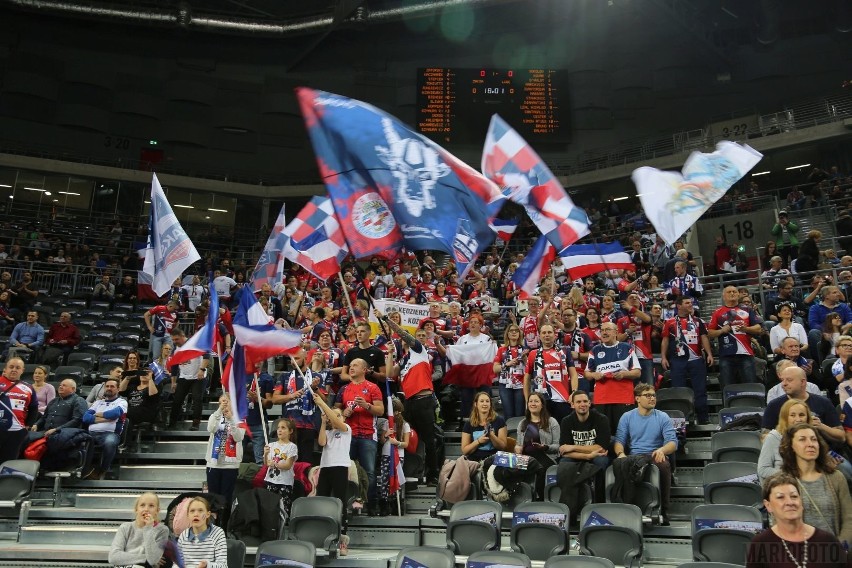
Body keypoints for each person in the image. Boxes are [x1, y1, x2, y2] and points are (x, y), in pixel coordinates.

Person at [379, 309, 439, 485]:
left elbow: (403, 333)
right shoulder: (403, 360)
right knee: (407, 436)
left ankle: (433, 474)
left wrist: (386, 320)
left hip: (424, 400)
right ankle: (411, 472)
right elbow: (389, 373)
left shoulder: (419, 350)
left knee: (428, 439)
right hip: (409, 402)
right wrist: (390, 353)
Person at [746, 473, 849, 568]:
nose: (790, 502)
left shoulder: (828, 540)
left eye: (794, 496)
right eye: (781, 497)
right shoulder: (760, 543)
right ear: (768, 505)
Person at [613, 384, 678, 525]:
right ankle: (624, 507)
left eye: (653, 395)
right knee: (619, 463)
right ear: (637, 398)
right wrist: (620, 453)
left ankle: (664, 510)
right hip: (635, 456)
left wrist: (662, 450)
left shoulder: (662, 417)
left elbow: (673, 442)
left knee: (663, 465)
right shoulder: (627, 417)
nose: (652, 398)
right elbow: (619, 441)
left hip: (655, 454)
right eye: (647, 395)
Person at [779, 423, 852, 544]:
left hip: (833, 554)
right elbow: (778, 524)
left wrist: (841, 548)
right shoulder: (782, 481)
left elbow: (849, 518)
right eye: (802, 439)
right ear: (791, 446)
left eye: (814, 439)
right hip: (797, 554)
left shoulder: (837, 478)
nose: (810, 444)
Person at [335, 357, 384, 516]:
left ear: (364, 369)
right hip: (348, 436)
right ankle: (350, 505)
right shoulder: (343, 389)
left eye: (355, 365)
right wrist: (343, 413)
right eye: (350, 366)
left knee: (368, 471)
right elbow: (335, 413)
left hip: (368, 435)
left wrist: (366, 405)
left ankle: (370, 505)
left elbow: (380, 411)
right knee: (348, 471)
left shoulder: (373, 387)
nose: (351, 368)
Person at [762, 367, 845, 451]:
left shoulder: (823, 402)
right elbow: (764, 438)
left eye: (789, 380)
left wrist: (821, 427)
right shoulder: (774, 405)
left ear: (803, 382)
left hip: (824, 453)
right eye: (782, 380)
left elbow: (842, 436)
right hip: (785, 454)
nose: (783, 384)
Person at [660, 297, 714, 424]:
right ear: (679, 306)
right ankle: (680, 421)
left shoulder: (698, 321)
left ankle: (703, 419)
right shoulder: (670, 322)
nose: (691, 305)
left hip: (696, 359)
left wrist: (709, 354)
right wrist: (663, 357)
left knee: (700, 390)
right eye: (687, 303)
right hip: (677, 360)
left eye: (691, 302)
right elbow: (665, 340)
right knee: (678, 391)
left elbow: (704, 337)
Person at [313, 390, 351, 556]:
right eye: (332, 415)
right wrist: (323, 423)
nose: (334, 417)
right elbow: (321, 442)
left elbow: (336, 420)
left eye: (337, 415)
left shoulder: (346, 429)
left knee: (340, 501)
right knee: (322, 499)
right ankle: (323, 534)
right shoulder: (328, 432)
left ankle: (343, 538)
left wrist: (322, 404)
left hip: (340, 467)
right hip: (326, 467)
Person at [585, 322, 641, 432]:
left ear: (616, 332)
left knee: (624, 432)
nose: (604, 333)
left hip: (623, 397)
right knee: (603, 432)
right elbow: (587, 374)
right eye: (602, 330)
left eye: (607, 330)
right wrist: (594, 375)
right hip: (602, 398)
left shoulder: (627, 348)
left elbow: (637, 372)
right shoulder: (595, 350)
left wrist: (624, 374)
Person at [271, 349, 321, 464]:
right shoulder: (285, 377)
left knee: (305, 463)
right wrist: (291, 396)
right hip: (289, 426)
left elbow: (324, 401)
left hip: (308, 425)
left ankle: (303, 482)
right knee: (287, 460)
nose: (293, 362)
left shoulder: (315, 377)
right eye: (291, 359)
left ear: (305, 358)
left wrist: (315, 389)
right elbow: (274, 399)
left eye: (296, 358)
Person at [523, 323, 578, 423]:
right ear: (539, 336)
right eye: (543, 333)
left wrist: (573, 393)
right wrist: (527, 400)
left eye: (549, 332)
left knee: (562, 431)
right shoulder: (533, 354)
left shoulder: (565, 351)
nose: (546, 335)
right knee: (543, 432)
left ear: (555, 335)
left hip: (562, 398)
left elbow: (573, 374)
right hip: (540, 401)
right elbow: (526, 379)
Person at [709, 286, 763, 387]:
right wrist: (721, 330)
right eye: (729, 292)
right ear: (724, 296)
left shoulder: (748, 310)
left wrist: (746, 329)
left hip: (746, 354)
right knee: (727, 386)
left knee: (750, 385)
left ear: (738, 295)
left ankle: (751, 402)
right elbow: (709, 333)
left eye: (734, 291)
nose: (732, 293)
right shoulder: (717, 312)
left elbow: (758, 329)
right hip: (726, 355)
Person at [514, 392, 560, 498]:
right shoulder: (522, 423)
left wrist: (545, 447)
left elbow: (557, 446)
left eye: (536, 401)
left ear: (542, 405)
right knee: (506, 467)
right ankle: (516, 497)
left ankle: (540, 499)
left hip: (545, 456)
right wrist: (517, 448)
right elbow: (518, 445)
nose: (533, 403)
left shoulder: (552, 422)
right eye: (530, 401)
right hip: (525, 457)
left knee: (540, 468)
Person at [108, 492, 169, 568]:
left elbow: (153, 560)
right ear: (136, 509)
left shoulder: (162, 530)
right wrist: (144, 558)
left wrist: (148, 528)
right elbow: (113, 557)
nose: (146, 509)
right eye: (142, 505)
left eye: (151, 506)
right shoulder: (125, 527)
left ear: (157, 510)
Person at [82, 376, 127, 480]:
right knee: (78, 440)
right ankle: (84, 470)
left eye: (112, 386)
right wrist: (105, 418)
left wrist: (96, 415)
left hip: (110, 433)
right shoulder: (98, 402)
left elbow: (115, 413)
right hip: (91, 433)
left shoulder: (122, 402)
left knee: (110, 443)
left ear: (118, 389)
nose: (109, 388)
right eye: (107, 386)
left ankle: (103, 469)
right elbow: (85, 418)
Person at [206, 393, 244, 514]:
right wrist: (219, 411)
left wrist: (231, 419)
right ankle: (212, 526)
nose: (225, 403)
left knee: (226, 498)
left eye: (227, 401)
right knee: (212, 498)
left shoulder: (240, 418)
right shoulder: (215, 416)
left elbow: (238, 437)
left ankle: (224, 526)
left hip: (230, 465)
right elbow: (210, 429)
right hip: (214, 464)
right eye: (222, 401)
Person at [758, 398, 812, 484]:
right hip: (783, 486)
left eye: (801, 415)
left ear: (808, 418)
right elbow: (763, 470)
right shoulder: (773, 437)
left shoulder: (812, 437)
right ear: (785, 417)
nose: (798, 419)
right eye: (792, 415)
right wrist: (790, 475)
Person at [168, 329, 209, 431]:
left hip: (198, 376)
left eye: (176, 339)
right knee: (177, 400)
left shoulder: (195, 343)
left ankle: (196, 423)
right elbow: (174, 367)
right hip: (184, 376)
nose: (175, 342)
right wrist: (173, 382)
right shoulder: (176, 349)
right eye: (173, 340)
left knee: (197, 399)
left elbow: (207, 356)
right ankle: (172, 423)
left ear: (182, 335)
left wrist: (202, 369)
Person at [0, 357, 38, 462]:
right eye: (11, 367)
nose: (14, 370)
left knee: (9, 462)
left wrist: (27, 426)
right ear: (5, 369)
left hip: (16, 432)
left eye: (17, 367)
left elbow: (34, 408)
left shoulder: (29, 388)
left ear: (22, 370)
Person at [176, 496, 229, 568]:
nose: (196, 514)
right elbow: (177, 564)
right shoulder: (183, 535)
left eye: (200, 510)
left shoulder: (218, 533)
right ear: (188, 515)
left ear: (208, 514)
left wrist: (207, 565)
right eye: (192, 511)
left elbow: (223, 566)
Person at [263, 417, 298, 520]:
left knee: (283, 508)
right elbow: (266, 463)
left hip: (285, 482)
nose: (279, 430)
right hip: (271, 480)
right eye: (278, 428)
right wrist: (265, 454)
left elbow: (287, 465)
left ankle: (282, 529)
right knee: (270, 507)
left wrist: (275, 464)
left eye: (283, 428)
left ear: (290, 431)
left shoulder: (292, 447)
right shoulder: (271, 445)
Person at [808, 286, 852, 363]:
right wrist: (827, 330)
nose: (838, 294)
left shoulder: (843, 307)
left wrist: (848, 325)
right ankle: (820, 363)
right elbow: (813, 323)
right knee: (813, 333)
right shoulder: (815, 308)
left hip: (843, 332)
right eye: (834, 292)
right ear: (826, 296)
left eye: (838, 292)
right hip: (824, 334)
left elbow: (851, 319)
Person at [461, 391, 508, 462]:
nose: (485, 404)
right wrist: (478, 441)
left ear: (490, 404)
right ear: (476, 404)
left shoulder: (499, 420)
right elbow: (465, 451)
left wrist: (492, 436)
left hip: (496, 457)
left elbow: (503, 447)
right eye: (482, 401)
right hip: (476, 459)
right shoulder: (469, 423)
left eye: (487, 401)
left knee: (522, 462)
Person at [121, 368, 162, 450]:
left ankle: (118, 415)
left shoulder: (154, 387)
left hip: (147, 412)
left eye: (146, 373)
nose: (143, 375)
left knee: (126, 413)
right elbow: (121, 390)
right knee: (128, 421)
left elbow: (153, 395)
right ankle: (126, 444)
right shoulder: (133, 387)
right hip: (131, 413)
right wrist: (128, 377)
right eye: (142, 373)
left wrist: (150, 379)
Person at [494, 323, 527, 420]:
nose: (513, 332)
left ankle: (519, 435)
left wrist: (525, 359)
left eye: (516, 331)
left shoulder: (525, 349)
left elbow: (531, 369)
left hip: (521, 384)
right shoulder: (501, 350)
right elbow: (495, 369)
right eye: (511, 331)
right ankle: (508, 434)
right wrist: (506, 364)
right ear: (507, 334)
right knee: (508, 414)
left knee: (520, 414)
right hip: (505, 385)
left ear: (519, 334)